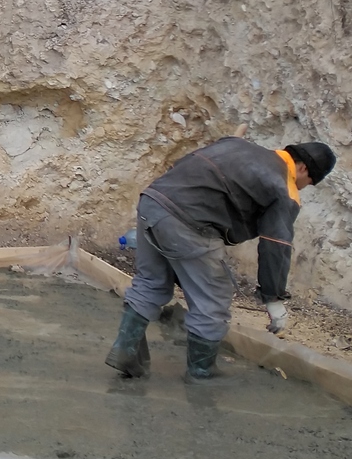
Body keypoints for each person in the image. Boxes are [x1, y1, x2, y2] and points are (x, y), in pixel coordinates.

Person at [105, 137, 337, 380]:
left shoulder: (236, 145)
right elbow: (275, 246)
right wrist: (273, 298)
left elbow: (188, 163)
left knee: (150, 283)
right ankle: (201, 372)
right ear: (303, 169)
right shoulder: (283, 188)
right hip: (189, 221)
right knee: (213, 300)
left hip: (153, 200)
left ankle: (125, 351)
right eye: (308, 182)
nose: (303, 187)